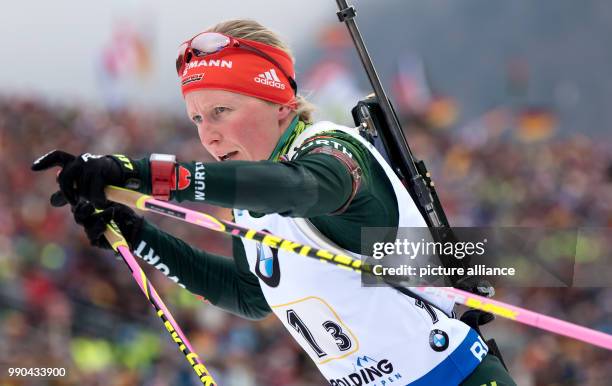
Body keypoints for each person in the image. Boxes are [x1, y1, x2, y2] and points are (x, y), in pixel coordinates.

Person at [32, 19, 515, 386]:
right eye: (198, 118)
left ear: (280, 103)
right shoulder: (248, 198)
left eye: (222, 110)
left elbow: (301, 189)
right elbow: (250, 294)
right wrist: (136, 234)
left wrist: (141, 174)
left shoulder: (331, 150)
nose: (209, 133)